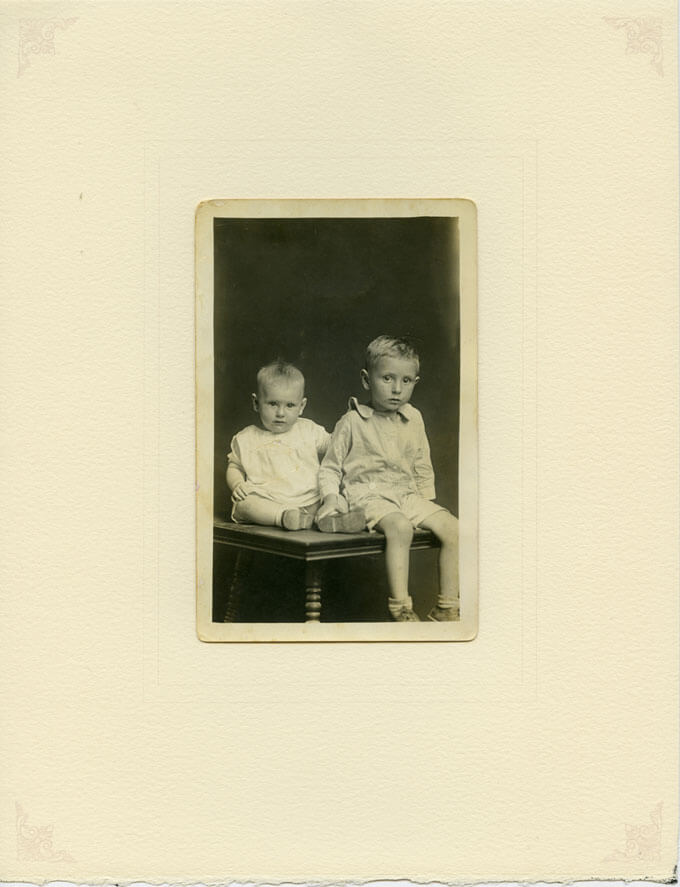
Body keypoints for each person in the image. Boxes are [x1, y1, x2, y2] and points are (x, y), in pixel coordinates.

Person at [317, 336, 459, 621]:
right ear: (367, 380)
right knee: (400, 527)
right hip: (368, 495)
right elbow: (330, 467)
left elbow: (421, 461)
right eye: (388, 378)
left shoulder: (413, 418)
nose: (397, 389)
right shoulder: (353, 421)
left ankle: (447, 607)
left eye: (406, 381)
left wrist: (427, 506)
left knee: (454, 528)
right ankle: (401, 608)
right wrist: (331, 498)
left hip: (406, 495)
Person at [227, 361, 363, 532]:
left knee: (337, 496)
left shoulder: (308, 430)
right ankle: (285, 517)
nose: (281, 413)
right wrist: (237, 483)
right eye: (273, 404)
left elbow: (335, 446)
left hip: (311, 500)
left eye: (290, 405)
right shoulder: (246, 438)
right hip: (269, 501)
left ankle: (332, 518)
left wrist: (348, 424)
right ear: (256, 403)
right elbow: (234, 466)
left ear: (301, 406)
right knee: (244, 505)